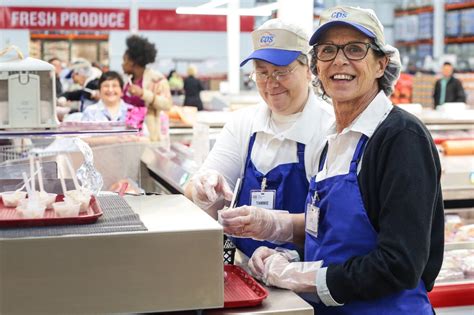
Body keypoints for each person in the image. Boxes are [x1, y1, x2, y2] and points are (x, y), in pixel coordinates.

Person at [220, 6, 444, 314]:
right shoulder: (332, 139)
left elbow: (399, 264)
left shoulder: (400, 138)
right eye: (327, 51)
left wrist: (302, 277)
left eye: (354, 49)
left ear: (381, 64)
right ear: (317, 68)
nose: (339, 60)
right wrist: (284, 243)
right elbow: (333, 235)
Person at [184, 19, 334, 258]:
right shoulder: (243, 123)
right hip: (244, 269)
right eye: (262, 73)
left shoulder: (330, 130)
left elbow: (334, 222)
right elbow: (194, 190)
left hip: (304, 277)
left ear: (309, 70)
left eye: (281, 71)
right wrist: (203, 191)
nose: (271, 83)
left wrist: (289, 248)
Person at [121, 35, 172, 140]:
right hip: (127, 134)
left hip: (148, 135)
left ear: (132, 62)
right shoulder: (127, 81)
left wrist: (143, 94)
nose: (122, 64)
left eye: (124, 60)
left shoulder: (156, 79)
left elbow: (167, 104)